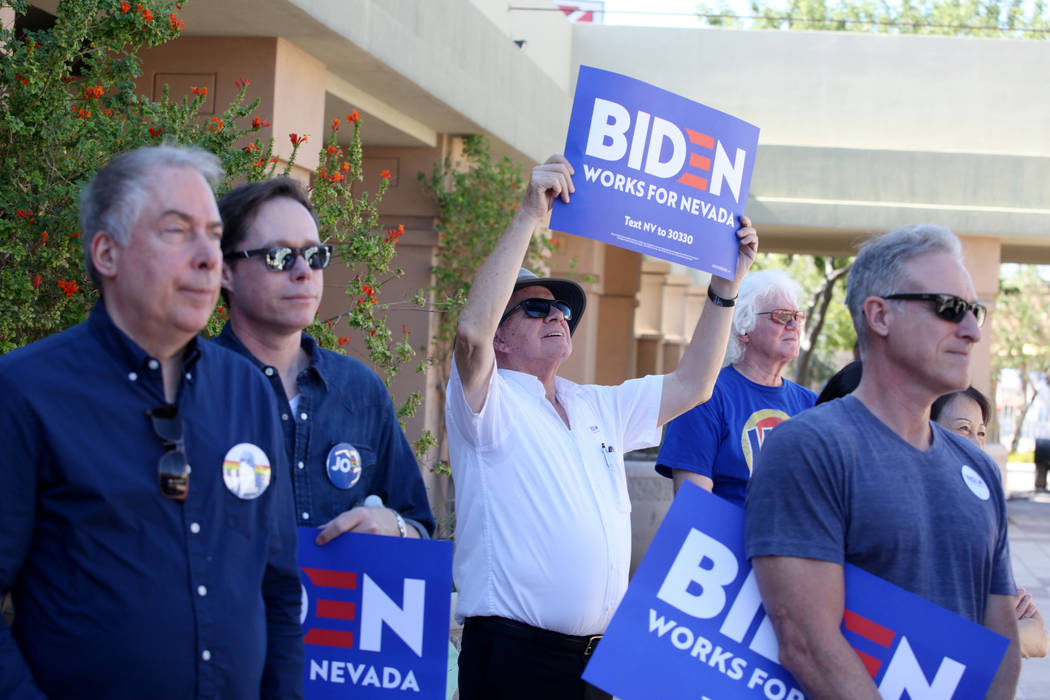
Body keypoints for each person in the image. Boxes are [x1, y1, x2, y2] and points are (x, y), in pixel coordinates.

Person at [446, 154, 758, 699]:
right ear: (501, 337)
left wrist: (726, 287)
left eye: (562, 311)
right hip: (513, 657)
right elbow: (470, 334)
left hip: (598, 662)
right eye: (536, 309)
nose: (556, 316)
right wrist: (528, 215)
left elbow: (695, 385)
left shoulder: (596, 405)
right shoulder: (487, 400)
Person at [0, 146, 303, 699]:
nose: (209, 257)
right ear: (107, 253)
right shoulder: (25, 391)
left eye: (213, 234)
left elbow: (278, 589)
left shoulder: (247, 393)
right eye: (177, 231)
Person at [746, 224, 1020, 699]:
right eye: (950, 308)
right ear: (880, 316)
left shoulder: (979, 471)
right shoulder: (809, 448)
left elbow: (999, 643)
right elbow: (808, 646)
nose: (973, 331)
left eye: (974, 311)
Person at [215, 177, 434, 542]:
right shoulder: (189, 383)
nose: (303, 272)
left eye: (315, 256)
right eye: (279, 256)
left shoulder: (360, 390)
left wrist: (392, 527)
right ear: (225, 271)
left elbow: (420, 529)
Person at [656, 269, 816, 507]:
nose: (794, 325)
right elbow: (694, 506)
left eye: (798, 316)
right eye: (782, 316)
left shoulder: (813, 404)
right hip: (729, 542)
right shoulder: (703, 395)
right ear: (743, 328)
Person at [932, 386, 1050, 661]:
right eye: (963, 429)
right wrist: (1011, 638)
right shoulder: (913, 519)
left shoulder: (980, 514)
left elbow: (1035, 633)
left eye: (981, 433)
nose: (976, 445)